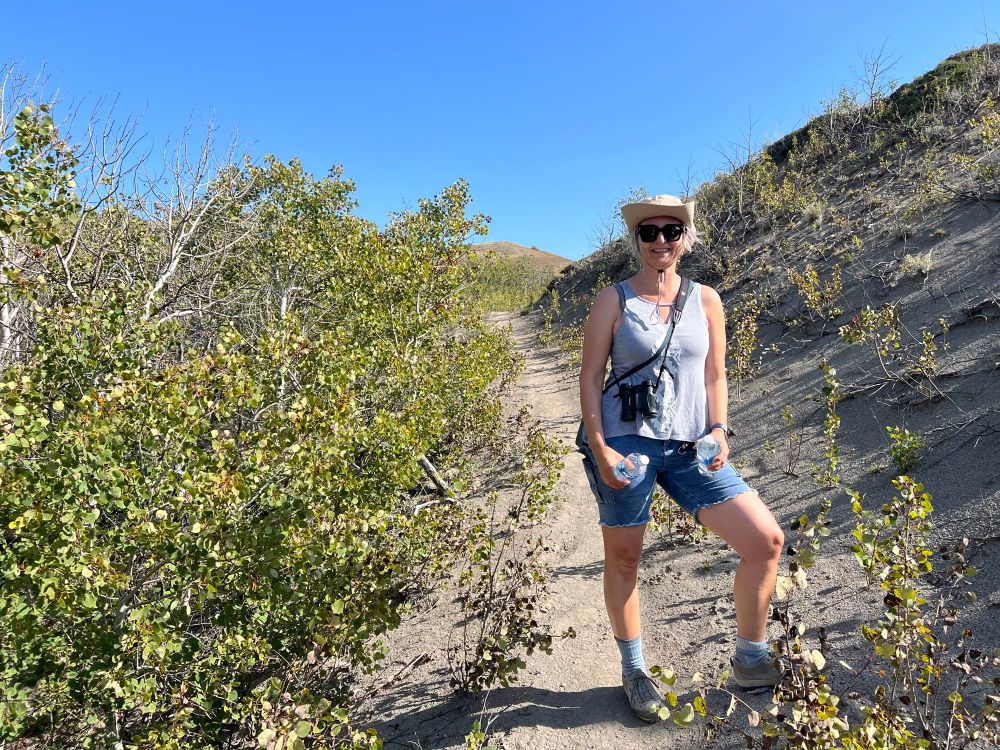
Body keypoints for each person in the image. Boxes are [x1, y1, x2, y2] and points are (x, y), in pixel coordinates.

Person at [578, 194, 785, 722]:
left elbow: (715, 373)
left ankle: (750, 659)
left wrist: (720, 426)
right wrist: (601, 450)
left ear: (686, 237)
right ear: (637, 241)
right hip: (627, 444)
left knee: (764, 542)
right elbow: (589, 378)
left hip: (692, 444)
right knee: (625, 558)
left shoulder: (706, 300)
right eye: (650, 233)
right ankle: (634, 669)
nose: (661, 241)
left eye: (672, 231)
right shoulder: (614, 299)